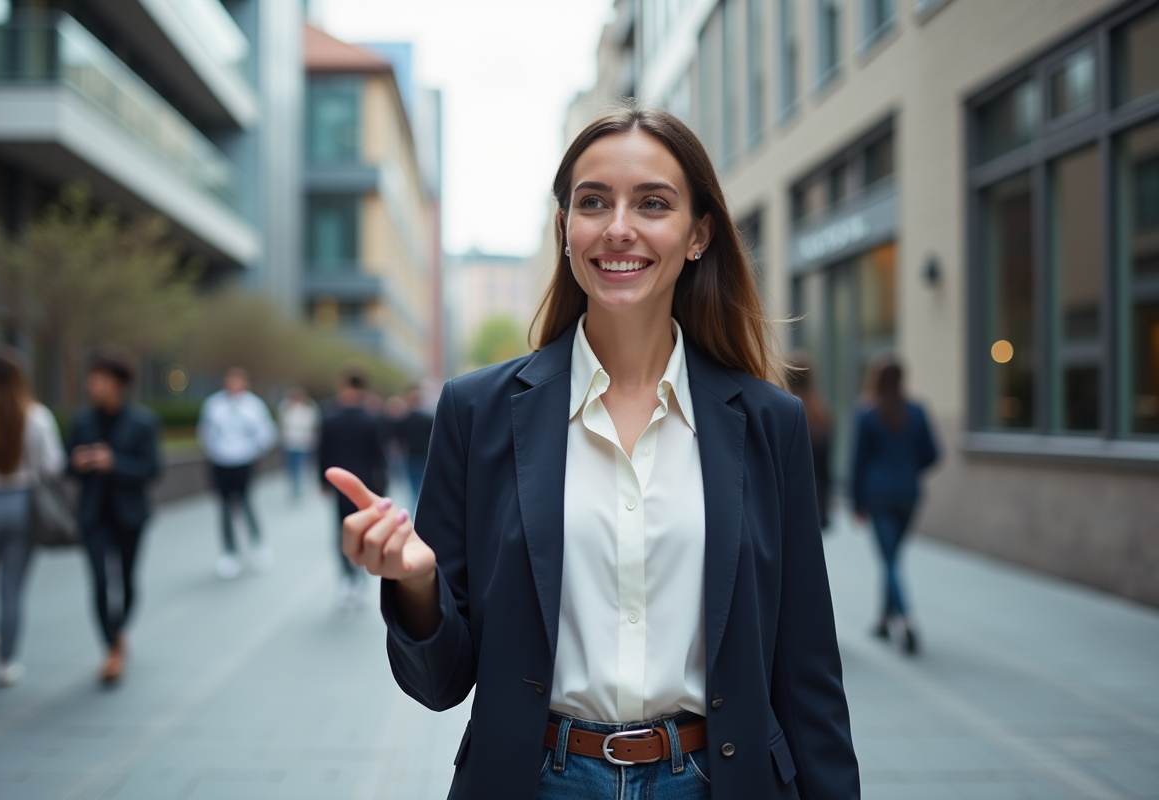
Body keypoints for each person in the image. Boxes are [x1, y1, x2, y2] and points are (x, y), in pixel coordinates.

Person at [327, 107, 859, 799]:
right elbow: (441, 683)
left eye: (653, 203)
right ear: (565, 230)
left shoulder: (768, 423)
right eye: (593, 202)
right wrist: (417, 583)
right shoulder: (476, 411)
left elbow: (807, 671)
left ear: (698, 234)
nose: (618, 227)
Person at [0, 350, 64, 687]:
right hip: (22, 506)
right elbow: (53, 466)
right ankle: (7, 662)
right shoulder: (36, 415)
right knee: (12, 590)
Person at [67, 351, 161, 683]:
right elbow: (67, 468)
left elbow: (152, 469)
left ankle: (118, 631)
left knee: (128, 582)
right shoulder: (82, 421)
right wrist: (76, 464)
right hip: (93, 515)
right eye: (91, 379)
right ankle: (111, 648)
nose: (92, 385)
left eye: (100, 379)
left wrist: (114, 463)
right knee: (99, 582)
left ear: (118, 384)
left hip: (129, 515)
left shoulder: (142, 422)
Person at [851, 355, 939, 655]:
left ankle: (907, 620)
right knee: (893, 558)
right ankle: (882, 621)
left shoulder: (866, 413)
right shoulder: (916, 411)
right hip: (909, 494)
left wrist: (856, 502)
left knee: (889, 560)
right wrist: (910, 469)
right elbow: (933, 454)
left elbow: (858, 463)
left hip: (878, 494)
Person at [197, 367, 277, 579]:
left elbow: (266, 432)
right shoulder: (214, 405)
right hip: (220, 462)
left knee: (246, 502)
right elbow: (205, 431)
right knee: (224, 507)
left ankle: (257, 544)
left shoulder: (253, 405)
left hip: (245, 461)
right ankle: (229, 552)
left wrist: (252, 450)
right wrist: (215, 451)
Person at [318, 371, 387, 608]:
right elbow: (379, 456)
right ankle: (358, 579)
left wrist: (323, 482)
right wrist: (382, 487)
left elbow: (322, 453)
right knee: (364, 532)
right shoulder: (372, 418)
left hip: (339, 484)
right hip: (366, 484)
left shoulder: (330, 418)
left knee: (342, 531)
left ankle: (348, 578)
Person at [786, 353, 833, 530]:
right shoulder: (821, 413)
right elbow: (826, 464)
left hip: (788, 496)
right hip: (815, 494)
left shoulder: (781, 410)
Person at [391, 386, 433, 513]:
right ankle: (419, 512)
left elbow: (397, 439)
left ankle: (413, 512)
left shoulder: (404, 420)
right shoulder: (427, 419)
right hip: (424, 457)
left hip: (410, 457)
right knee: (421, 488)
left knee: (412, 488)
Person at [277, 388, 319, 500]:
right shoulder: (286, 407)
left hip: (303, 443)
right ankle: (294, 486)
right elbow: (282, 423)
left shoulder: (308, 408)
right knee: (291, 466)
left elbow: (312, 423)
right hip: (289, 442)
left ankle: (299, 487)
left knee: (300, 466)